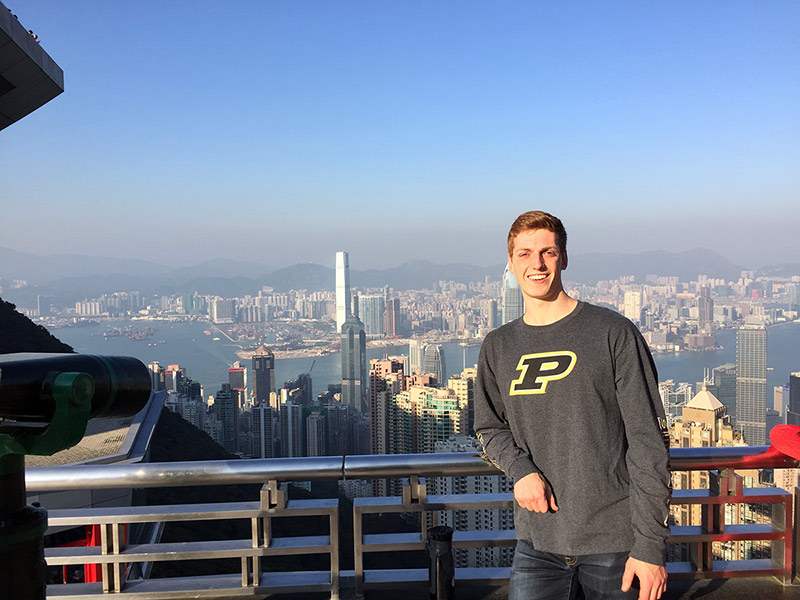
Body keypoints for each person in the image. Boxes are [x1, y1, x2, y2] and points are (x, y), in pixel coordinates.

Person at [474, 211, 670, 600]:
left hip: (616, 542)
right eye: (525, 253)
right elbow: (488, 427)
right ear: (510, 263)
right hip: (537, 542)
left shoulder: (612, 333)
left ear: (563, 258)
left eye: (548, 252)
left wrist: (650, 546)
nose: (537, 264)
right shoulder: (498, 346)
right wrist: (521, 471)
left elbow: (648, 442)